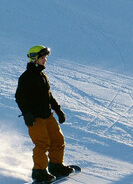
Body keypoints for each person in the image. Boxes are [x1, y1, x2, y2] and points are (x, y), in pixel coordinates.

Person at [15, 45, 77, 182]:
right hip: (35, 118)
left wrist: (58, 110)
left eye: (45, 58)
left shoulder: (42, 76)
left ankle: (56, 166)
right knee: (42, 144)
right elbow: (20, 97)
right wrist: (27, 113)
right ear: (34, 59)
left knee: (58, 140)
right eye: (42, 58)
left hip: (47, 115)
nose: (45, 60)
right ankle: (39, 172)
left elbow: (49, 96)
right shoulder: (26, 77)